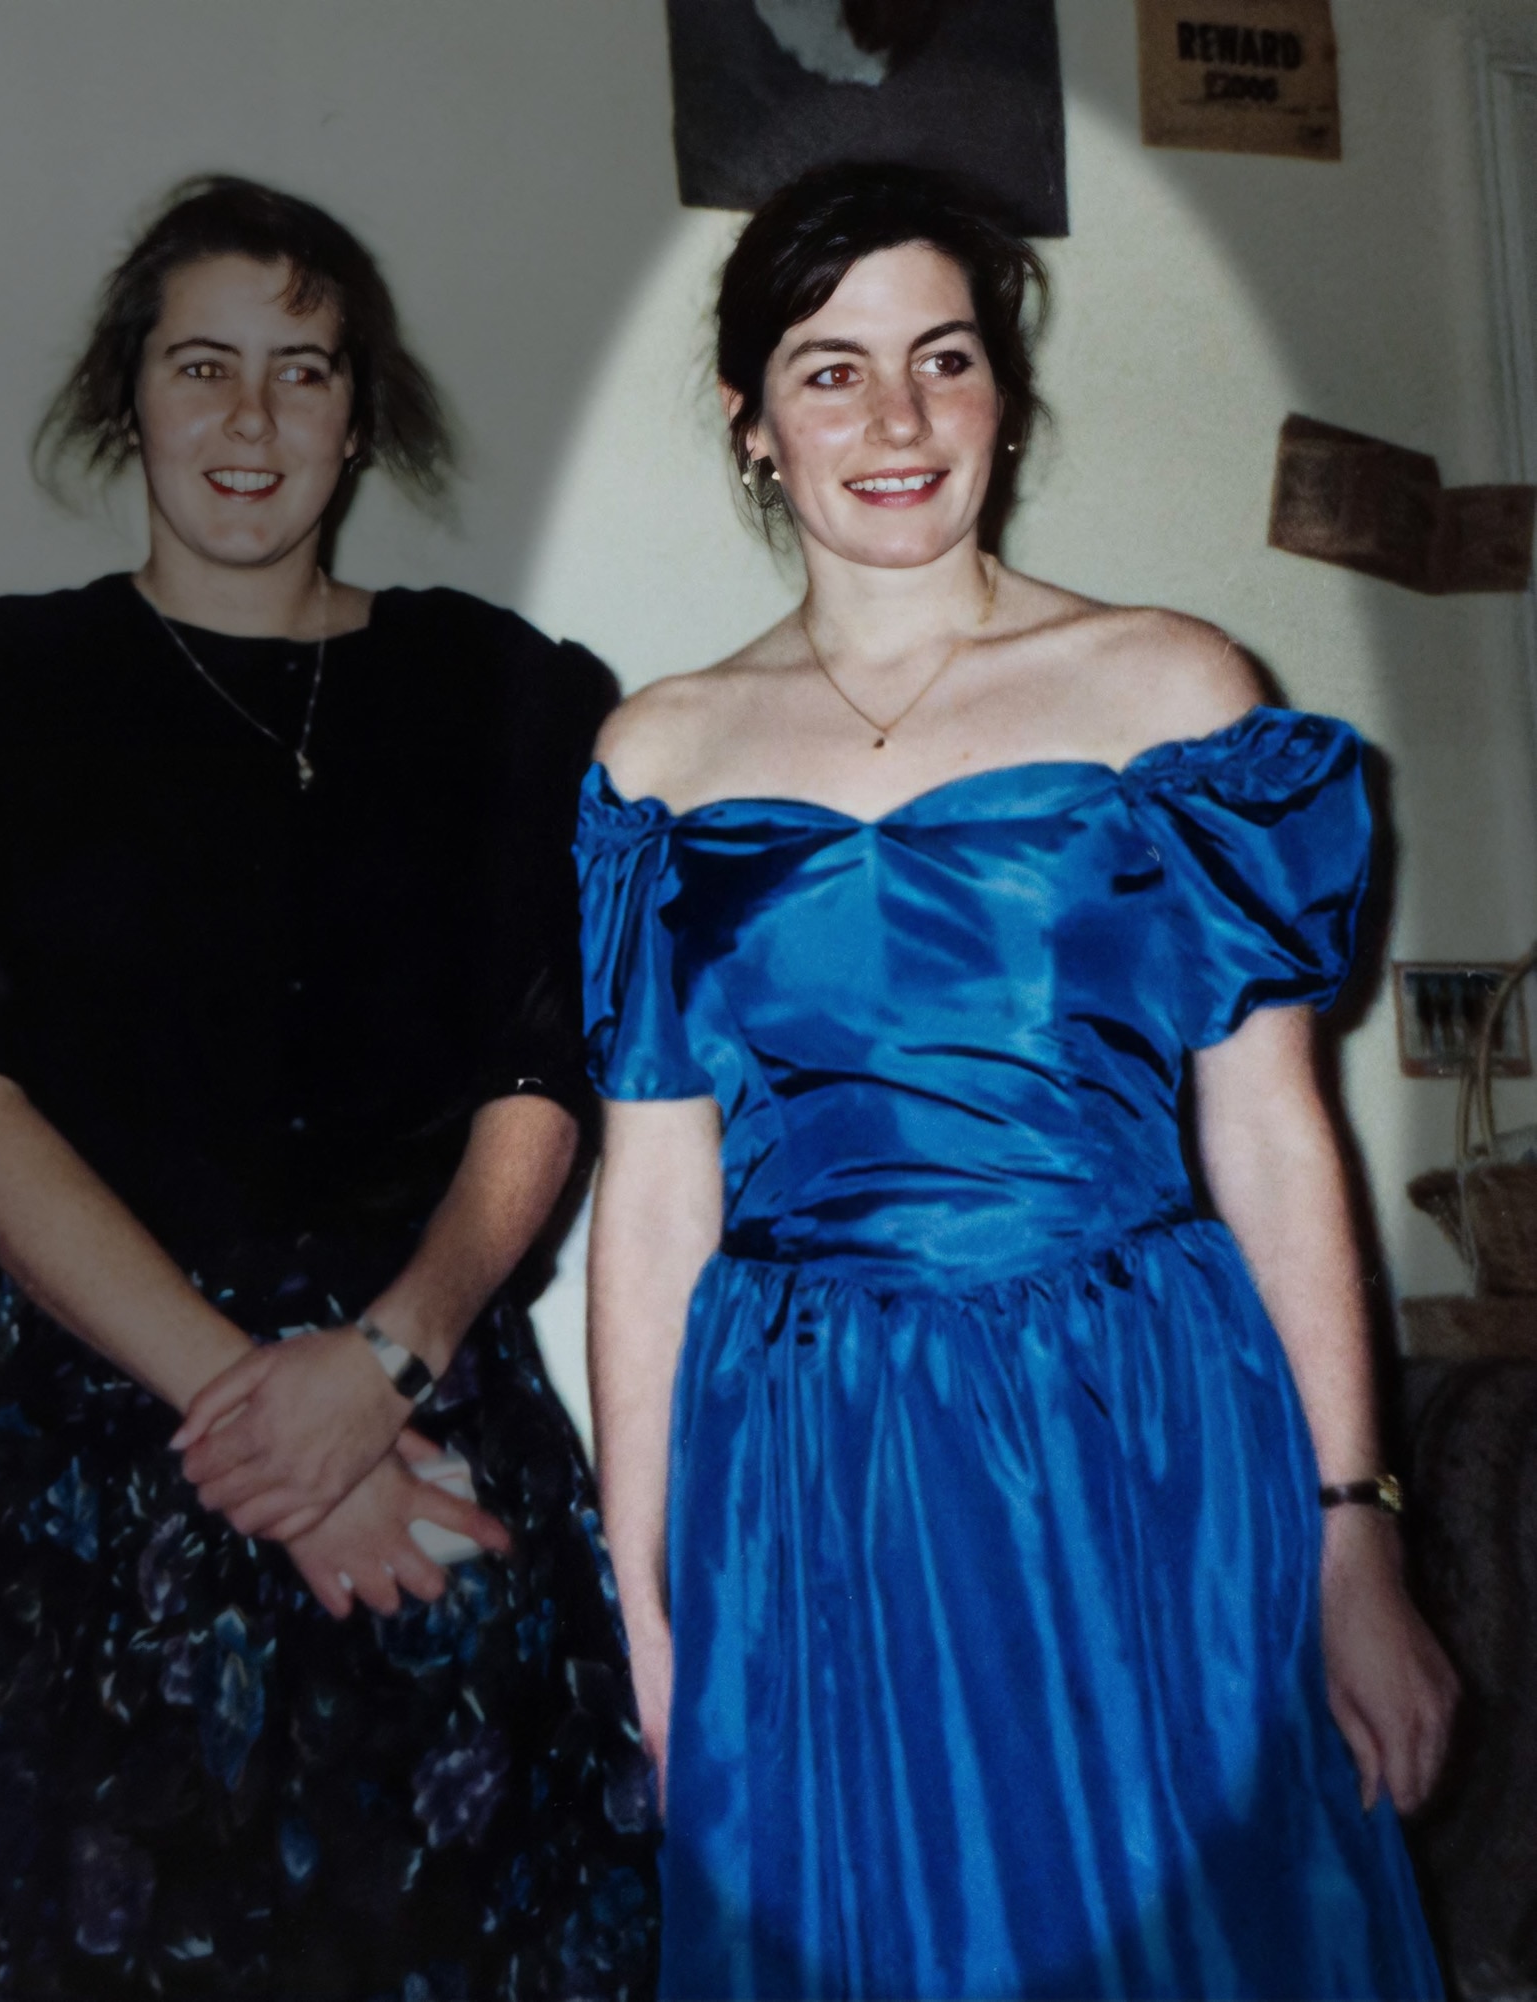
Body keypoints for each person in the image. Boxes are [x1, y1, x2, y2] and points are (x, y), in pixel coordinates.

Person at [580, 160, 1456, 1999]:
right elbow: (653, 1207)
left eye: (944, 357)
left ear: (1005, 397)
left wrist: (1353, 1536)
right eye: (831, 370)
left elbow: (1277, 1137)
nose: (896, 419)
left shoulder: (1178, 696)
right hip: (808, 1460)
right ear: (751, 424)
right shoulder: (657, 755)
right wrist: (651, 1609)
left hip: (1128, 1423)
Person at [0, 175, 660, 1998]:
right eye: (203, 366)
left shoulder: (512, 688)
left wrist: (383, 1361)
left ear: (358, 414)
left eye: (301, 372)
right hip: (121, 1472)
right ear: (127, 395)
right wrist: (276, 1433)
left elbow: (540, 1080)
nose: (249, 421)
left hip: (436, 1436)